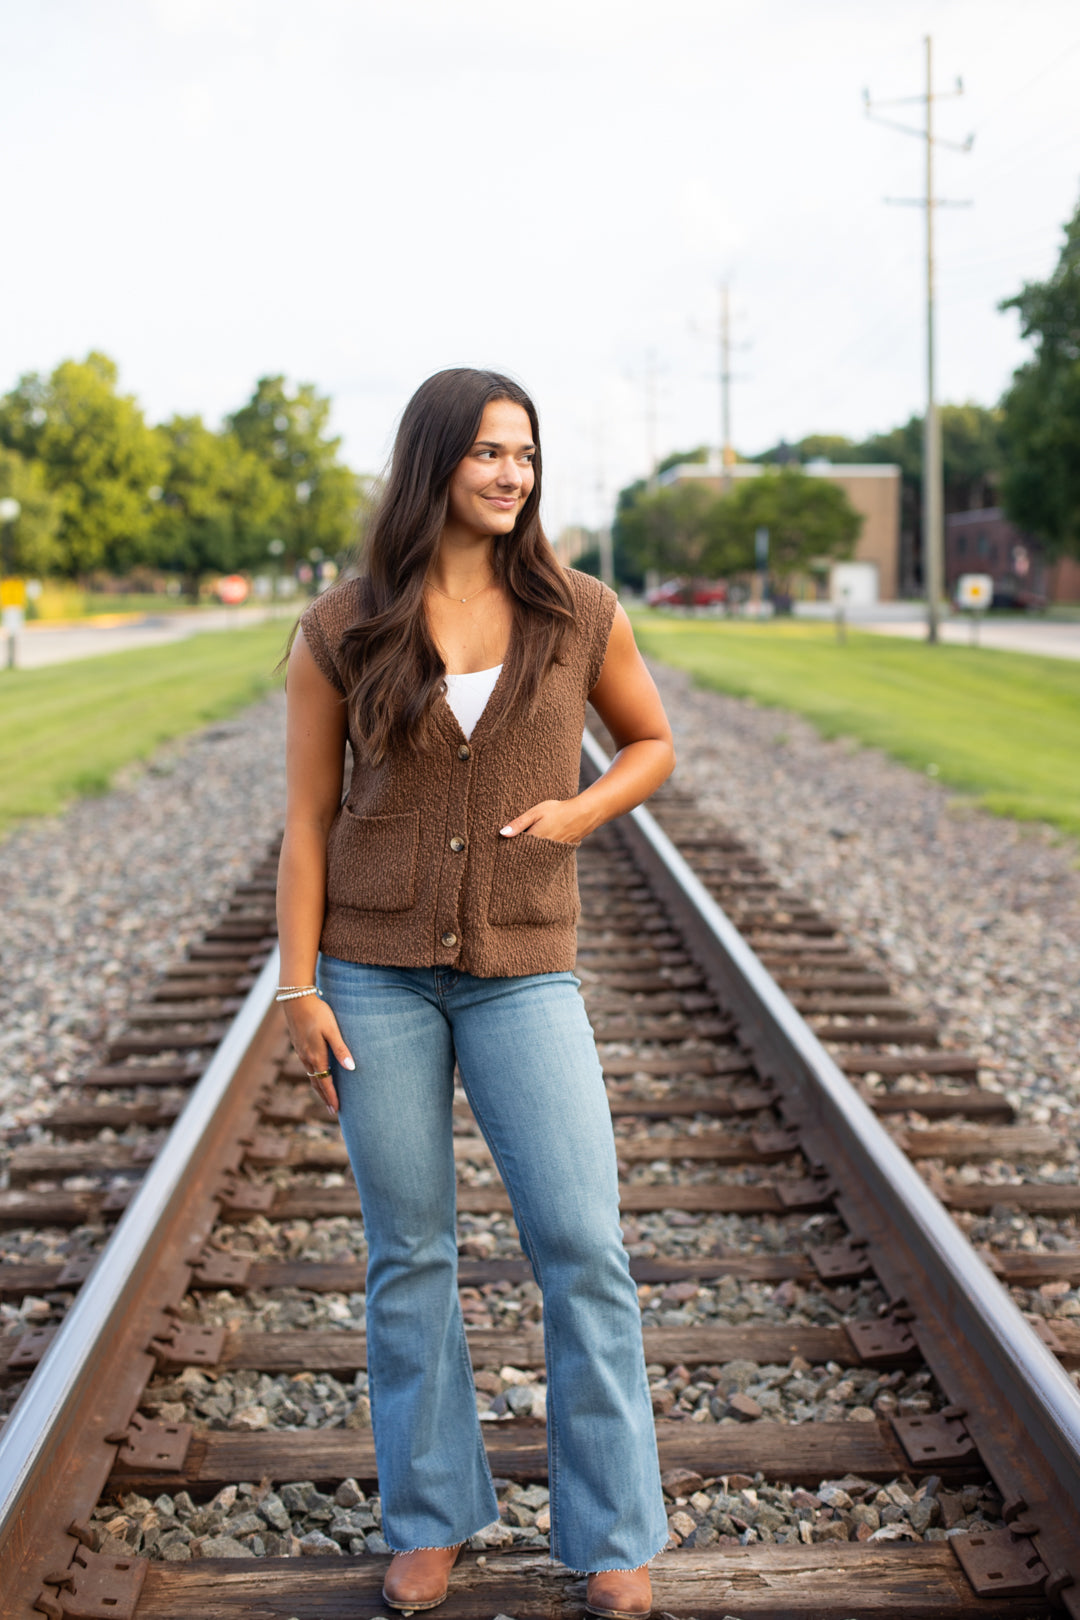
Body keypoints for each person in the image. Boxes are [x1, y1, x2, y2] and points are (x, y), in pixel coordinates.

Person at [277, 368, 675, 1619]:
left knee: (583, 1245)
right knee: (411, 1256)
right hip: (371, 975)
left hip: (523, 973)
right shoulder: (341, 627)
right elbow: (301, 825)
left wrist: (578, 811)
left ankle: (612, 1533)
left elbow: (653, 743)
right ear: (435, 460)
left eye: (527, 455)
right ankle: (432, 1517)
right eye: (491, 453)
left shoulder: (579, 612)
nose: (513, 474)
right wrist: (297, 988)